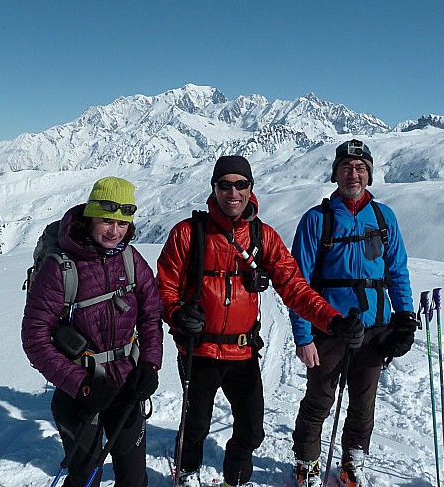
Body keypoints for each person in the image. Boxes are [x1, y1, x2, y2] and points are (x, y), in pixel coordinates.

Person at [157, 155, 363, 487]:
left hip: (242, 352)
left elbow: (294, 287)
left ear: (251, 188)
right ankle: (187, 470)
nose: (233, 192)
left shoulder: (262, 236)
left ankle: (234, 479)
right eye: (225, 185)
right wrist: (178, 314)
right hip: (199, 351)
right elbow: (164, 287)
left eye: (240, 184)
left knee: (252, 430)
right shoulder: (189, 233)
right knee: (195, 423)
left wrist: (333, 321)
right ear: (214, 188)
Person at [289, 140, 416, 487]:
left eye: (360, 168)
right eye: (346, 167)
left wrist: (404, 318)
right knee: (319, 400)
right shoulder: (318, 220)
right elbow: (296, 283)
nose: (353, 174)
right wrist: (303, 337)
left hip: (375, 328)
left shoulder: (383, 217)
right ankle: (307, 462)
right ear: (335, 173)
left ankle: (353, 458)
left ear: (370, 174)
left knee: (364, 402)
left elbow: (397, 272)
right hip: (328, 328)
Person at [22, 177, 163, 487]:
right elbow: (35, 339)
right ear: (90, 217)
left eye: (122, 222)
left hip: (127, 385)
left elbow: (152, 315)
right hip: (79, 391)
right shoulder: (59, 269)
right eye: (106, 221)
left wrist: (150, 365)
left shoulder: (131, 260)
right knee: (86, 476)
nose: (114, 231)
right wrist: (83, 385)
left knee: (134, 476)